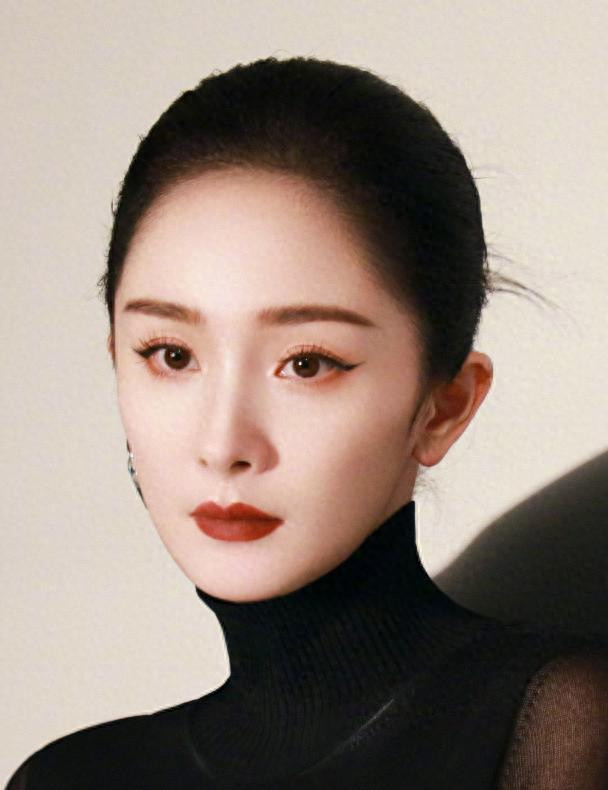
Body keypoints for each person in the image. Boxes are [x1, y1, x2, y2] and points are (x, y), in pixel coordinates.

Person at [6, 55, 608, 790]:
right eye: (171, 355)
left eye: (307, 363)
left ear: (445, 407)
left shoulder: (557, 726)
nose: (223, 444)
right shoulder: (70, 778)